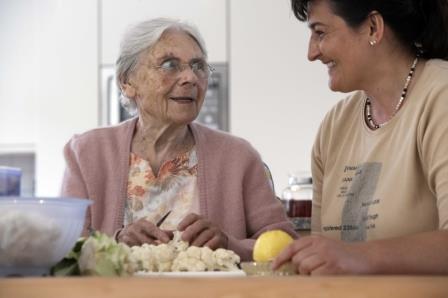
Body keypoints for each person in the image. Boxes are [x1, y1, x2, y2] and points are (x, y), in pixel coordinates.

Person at [61, 18, 296, 261]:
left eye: (198, 66)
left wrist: (229, 245)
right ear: (126, 82)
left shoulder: (238, 157)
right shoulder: (86, 154)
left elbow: (284, 244)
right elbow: (63, 252)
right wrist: (115, 243)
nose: (190, 78)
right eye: (170, 64)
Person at [273, 0, 448, 274]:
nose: (311, 53)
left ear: (372, 27)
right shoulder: (333, 127)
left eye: (320, 32)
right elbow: (322, 260)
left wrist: (359, 257)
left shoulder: (440, 96)